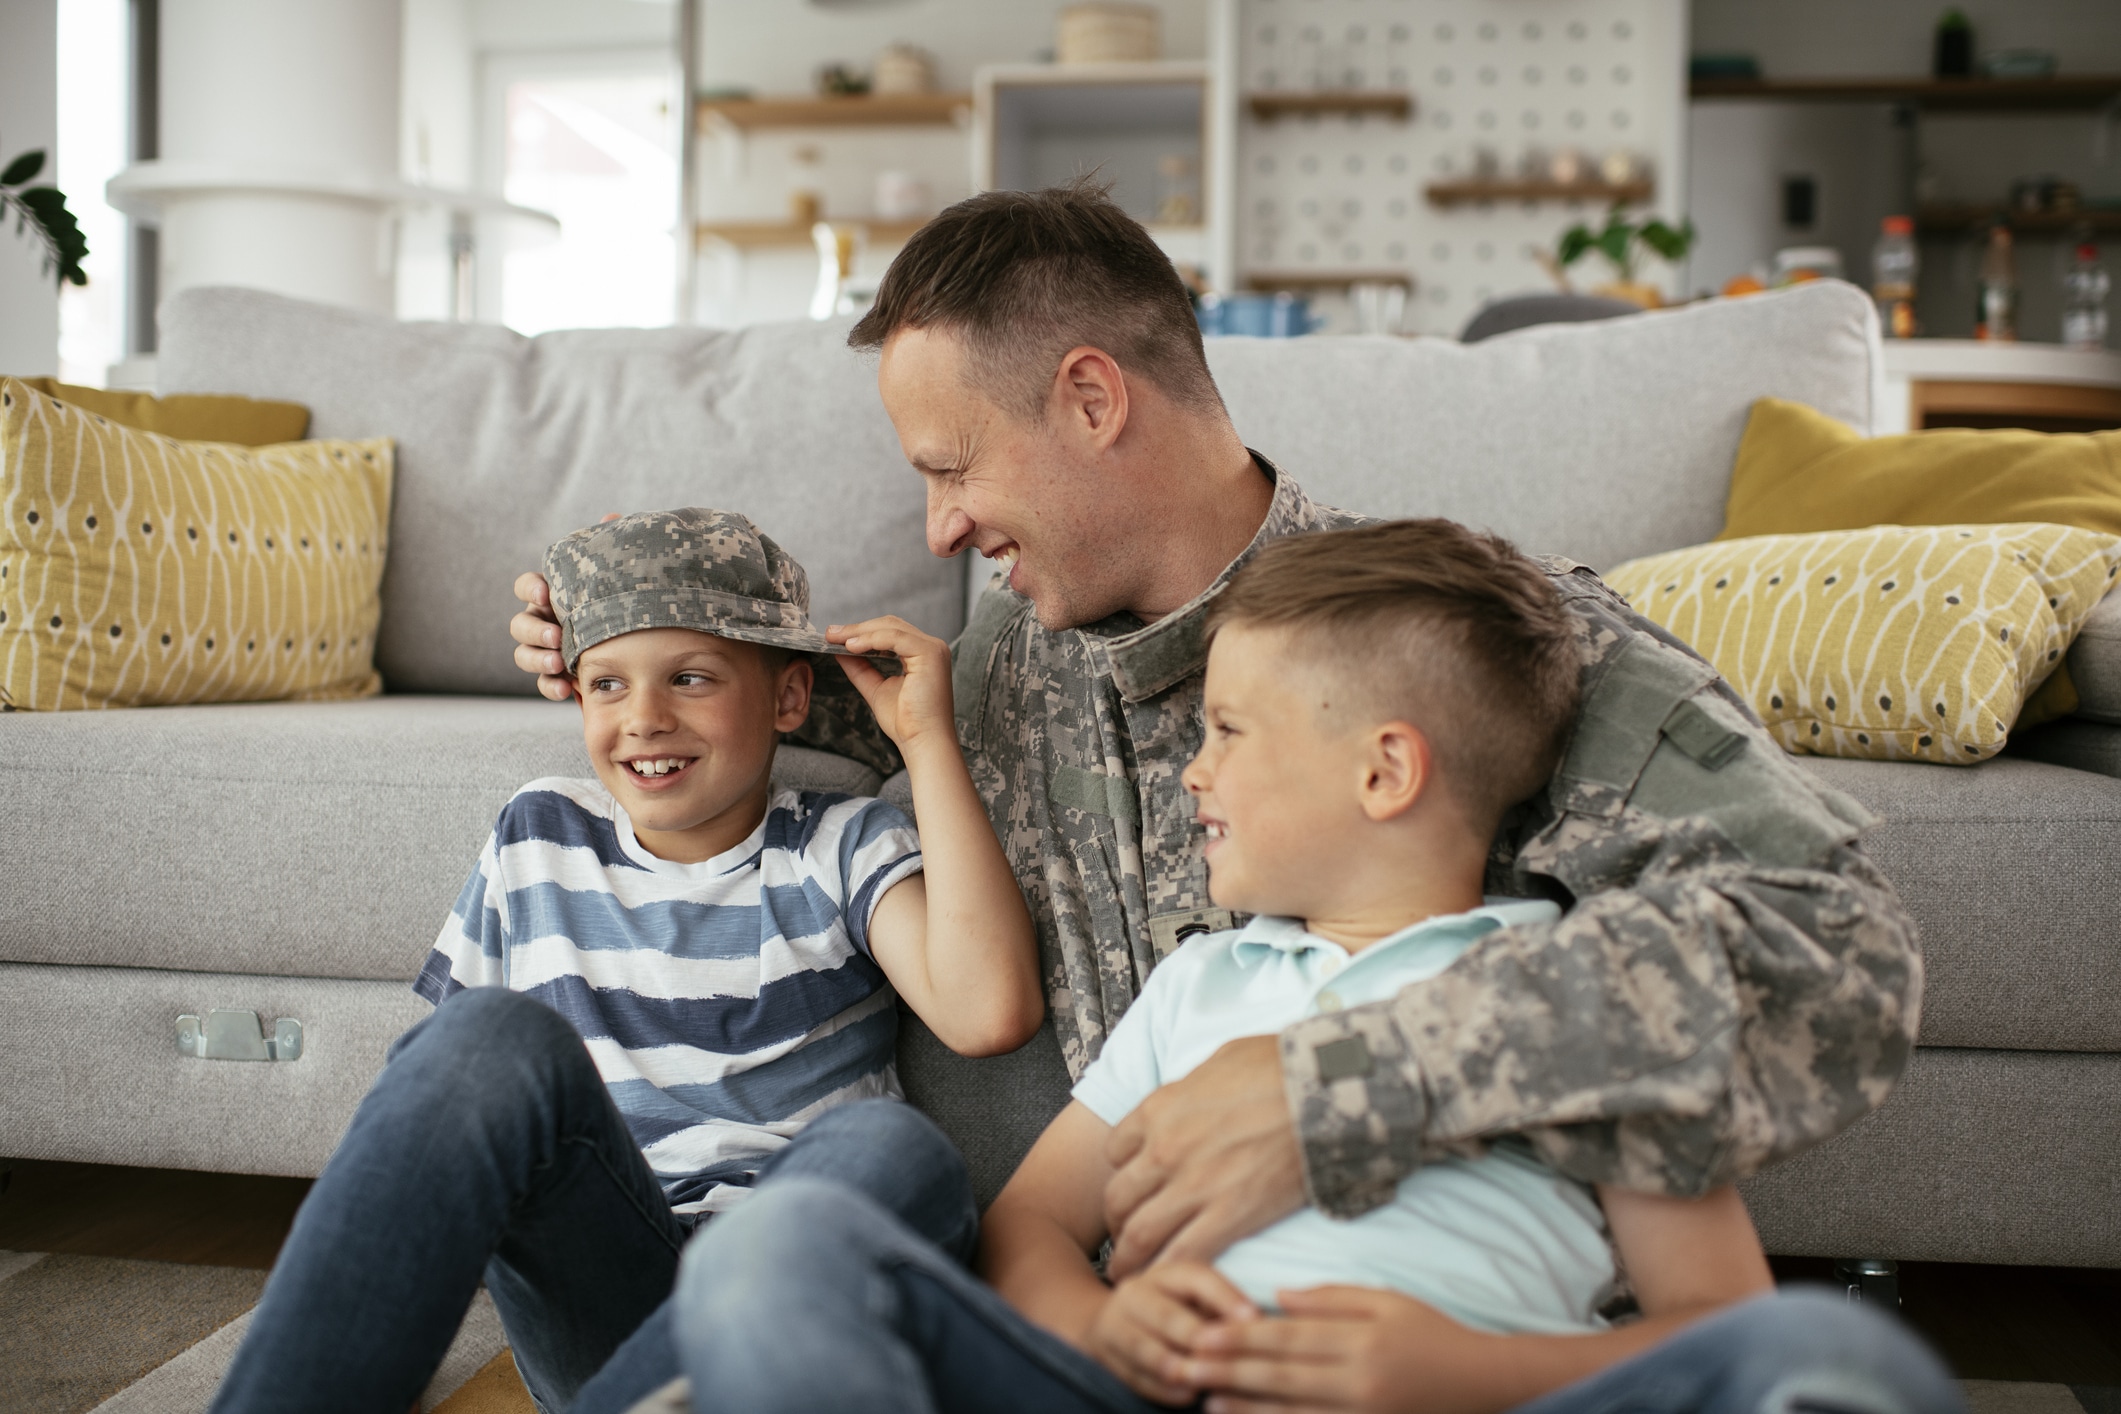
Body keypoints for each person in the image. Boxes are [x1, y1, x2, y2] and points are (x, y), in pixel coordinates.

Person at [509, 181, 1922, 1394]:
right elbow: (853, 718)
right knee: (789, 1268)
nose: (936, 527)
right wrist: (620, 640)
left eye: (950, 469)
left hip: (1455, 1353)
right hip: (1123, 1351)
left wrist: (1347, 1083)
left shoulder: (1449, 644)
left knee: (1845, 1370)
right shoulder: (1010, 668)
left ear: (1090, 397)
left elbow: (1832, 945)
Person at [667, 520, 1960, 1414]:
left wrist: (1460, 1371)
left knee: (1831, 1346)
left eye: (1226, 730)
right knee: (774, 1251)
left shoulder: (1576, 994)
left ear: (1385, 770)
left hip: (1476, 1394)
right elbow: (1032, 1226)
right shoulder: (1204, 987)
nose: (1193, 768)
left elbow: (1715, 1320)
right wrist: (1103, 1326)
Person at [211, 509, 1041, 1414]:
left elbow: (987, 1010)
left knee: (890, 1147)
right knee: (477, 1038)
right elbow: (456, 1106)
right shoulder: (539, 829)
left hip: (793, 1271)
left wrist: (927, 742)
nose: (644, 718)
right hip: (605, 1283)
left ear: (788, 700)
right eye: (606, 684)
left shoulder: (839, 845)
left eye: (689, 678)